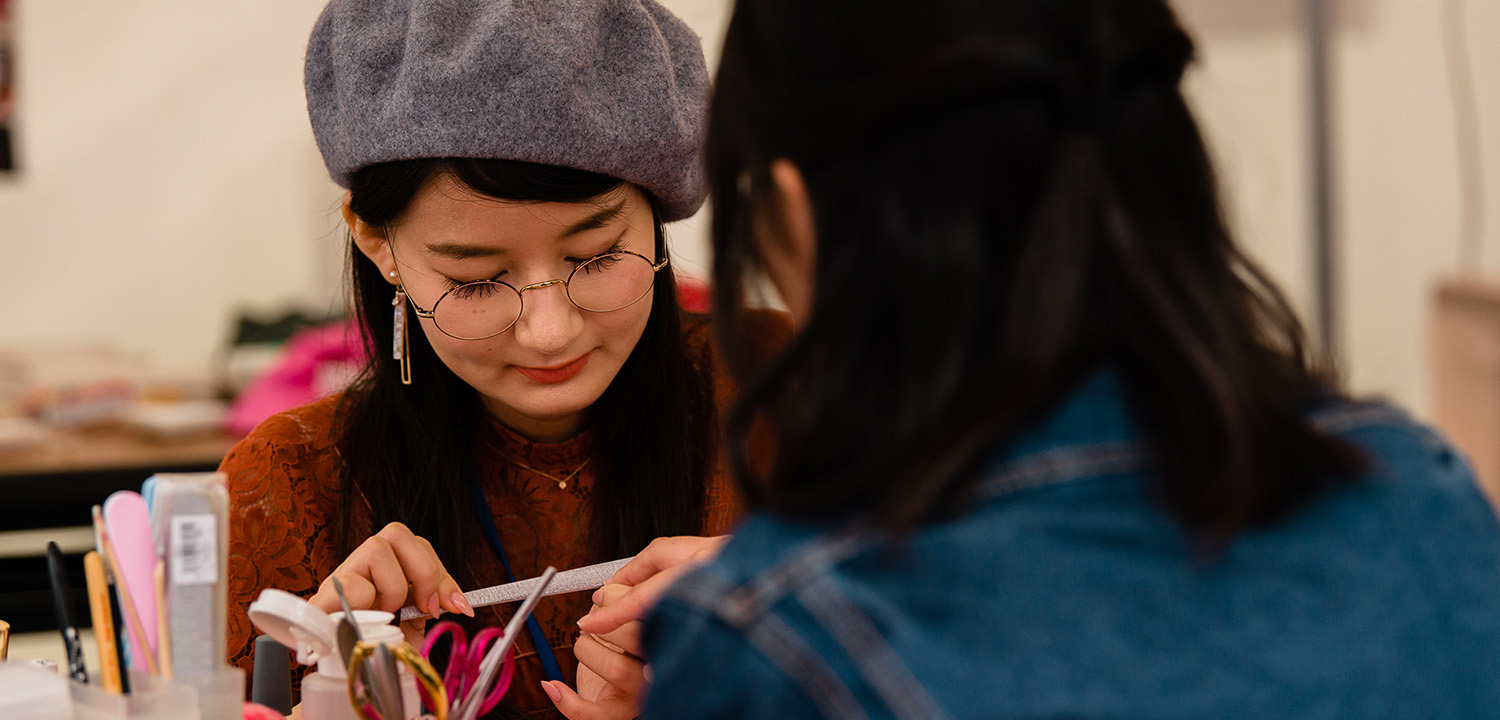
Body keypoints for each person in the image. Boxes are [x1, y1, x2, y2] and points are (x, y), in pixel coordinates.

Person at [576, 0, 1500, 717]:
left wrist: (764, 620)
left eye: (594, 254)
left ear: (794, 211)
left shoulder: (779, 649)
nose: (548, 327)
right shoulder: (1427, 497)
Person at [220, 1, 788, 718]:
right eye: (476, 280)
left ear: (657, 215)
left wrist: (793, 635)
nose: (549, 332)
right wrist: (324, 693)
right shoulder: (288, 489)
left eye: (597, 256)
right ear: (378, 244)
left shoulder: (791, 393)